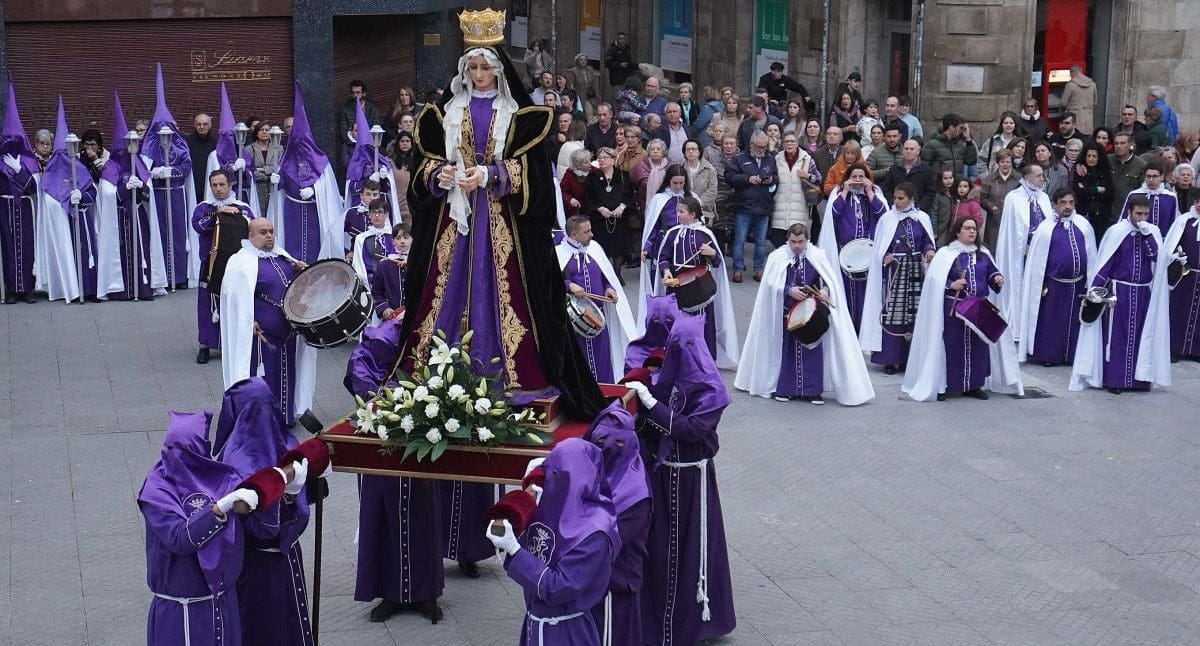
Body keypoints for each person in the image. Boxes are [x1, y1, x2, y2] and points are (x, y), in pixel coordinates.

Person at [399, 13, 606, 418]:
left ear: (498, 70)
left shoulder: (517, 113)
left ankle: (502, 370)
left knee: (504, 287)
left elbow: (536, 176)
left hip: (499, 218)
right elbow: (426, 161)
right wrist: (439, 173)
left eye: (485, 67)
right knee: (444, 284)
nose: (478, 74)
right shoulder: (446, 111)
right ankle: (442, 370)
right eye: (472, 67)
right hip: (454, 217)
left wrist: (493, 174)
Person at [625, 313, 736, 645]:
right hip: (663, 477)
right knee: (662, 549)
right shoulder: (670, 378)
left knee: (693, 549)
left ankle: (697, 622)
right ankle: (658, 617)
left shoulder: (710, 390)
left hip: (692, 483)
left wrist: (650, 404)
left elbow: (691, 429)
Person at [137, 410, 260, 646]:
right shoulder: (156, 492)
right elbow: (179, 539)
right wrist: (219, 508)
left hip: (222, 604)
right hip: (183, 613)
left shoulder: (216, 476)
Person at [212, 377, 317, 646]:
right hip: (260, 563)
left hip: (260, 561)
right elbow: (265, 524)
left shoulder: (232, 454)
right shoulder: (247, 456)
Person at [485, 438, 620, 645]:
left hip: (566, 632)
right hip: (536, 622)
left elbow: (559, 587)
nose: (547, 481)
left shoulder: (596, 532)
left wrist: (514, 550)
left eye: (554, 475)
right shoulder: (558, 505)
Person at [736, 222, 875, 405]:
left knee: (813, 349)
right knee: (787, 350)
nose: (797, 246)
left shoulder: (817, 256)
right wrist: (788, 290)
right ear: (788, 240)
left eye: (800, 242)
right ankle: (786, 388)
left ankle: (812, 390)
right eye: (793, 242)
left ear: (807, 240)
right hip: (787, 311)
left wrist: (824, 291)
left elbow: (827, 281)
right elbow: (769, 284)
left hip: (812, 313)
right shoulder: (778, 257)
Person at [903, 216, 1022, 401]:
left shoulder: (982, 253)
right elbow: (934, 280)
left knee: (978, 347)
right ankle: (946, 385)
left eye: (974, 228)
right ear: (958, 231)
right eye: (967, 228)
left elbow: (992, 273)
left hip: (979, 308)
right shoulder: (946, 254)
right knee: (952, 346)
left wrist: (997, 278)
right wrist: (951, 284)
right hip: (955, 307)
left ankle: (973, 386)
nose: (972, 231)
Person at [1070, 196, 1173, 393]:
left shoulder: (1153, 232)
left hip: (1143, 292)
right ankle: (1115, 381)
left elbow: (1155, 257)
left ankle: (1138, 380)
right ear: (1129, 211)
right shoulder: (1116, 232)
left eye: (1145, 214)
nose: (1142, 217)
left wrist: (1146, 234)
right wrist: (1095, 288)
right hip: (1120, 292)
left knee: (1141, 336)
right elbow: (1106, 263)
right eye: (1138, 213)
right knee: (1117, 338)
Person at [220, 217, 314, 426]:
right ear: (251, 236)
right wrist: (247, 322)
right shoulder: (241, 262)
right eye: (263, 232)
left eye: (271, 231)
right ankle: (261, 422)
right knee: (264, 379)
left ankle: (285, 417)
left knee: (287, 376)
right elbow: (234, 299)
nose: (269, 235)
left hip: (288, 333)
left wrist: (301, 270)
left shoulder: (283, 258)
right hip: (261, 335)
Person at [583, 401, 652, 646]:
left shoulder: (635, 494)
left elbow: (607, 541)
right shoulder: (595, 469)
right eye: (600, 443)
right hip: (591, 579)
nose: (609, 449)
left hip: (616, 582)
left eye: (618, 443)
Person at [652, 196, 739, 366]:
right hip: (677, 287)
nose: (678, 215)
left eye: (681, 212)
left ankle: (702, 360)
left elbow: (717, 262)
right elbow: (664, 256)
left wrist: (711, 253)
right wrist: (667, 270)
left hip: (699, 289)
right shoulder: (673, 233)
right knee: (678, 323)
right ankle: (679, 359)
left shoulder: (705, 234)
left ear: (693, 214)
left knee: (702, 324)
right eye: (677, 211)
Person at [860, 183, 937, 374]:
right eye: (895, 197)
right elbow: (881, 245)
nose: (897, 202)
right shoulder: (887, 219)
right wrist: (885, 256)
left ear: (911, 199)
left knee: (915, 315)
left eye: (901, 198)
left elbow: (927, 241)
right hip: (895, 272)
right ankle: (890, 359)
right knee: (894, 314)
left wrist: (929, 251)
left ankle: (909, 359)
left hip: (916, 272)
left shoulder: (922, 218)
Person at [1017, 188, 1097, 367]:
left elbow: (1091, 255)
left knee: (1076, 321)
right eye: (1063, 203)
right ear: (1055, 205)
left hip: (1078, 284)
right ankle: (1049, 356)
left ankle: (1072, 355)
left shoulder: (1084, 225)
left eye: (1071, 202)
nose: (1067, 207)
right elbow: (1037, 261)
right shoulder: (1046, 228)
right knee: (1052, 322)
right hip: (1054, 285)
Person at [267, 83, 344, 265]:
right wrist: (277, 181)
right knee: (292, 242)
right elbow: (282, 184)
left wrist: (315, 191)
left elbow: (329, 190)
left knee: (313, 243)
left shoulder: (321, 160)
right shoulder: (285, 159)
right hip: (291, 209)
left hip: (313, 209)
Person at [102, 92, 168, 302]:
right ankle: (123, 289)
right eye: (127, 144)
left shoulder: (141, 163)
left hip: (139, 215)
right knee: (122, 252)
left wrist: (141, 186)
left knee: (143, 249)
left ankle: (143, 287)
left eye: (134, 143)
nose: (130, 148)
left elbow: (148, 193)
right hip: (120, 217)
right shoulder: (110, 167)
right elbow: (106, 193)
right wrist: (121, 187)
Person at [557, 215, 635, 382]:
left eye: (590, 230)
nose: (591, 234)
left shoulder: (595, 248)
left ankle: (605, 391)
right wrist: (569, 285)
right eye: (586, 232)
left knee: (602, 358)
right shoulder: (559, 253)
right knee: (580, 360)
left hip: (598, 317)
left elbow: (605, 275)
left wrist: (609, 288)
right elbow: (551, 280)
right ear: (573, 234)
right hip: (574, 320)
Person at [142, 64, 198, 289]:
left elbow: (186, 168)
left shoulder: (180, 146)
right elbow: (143, 168)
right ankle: (163, 275)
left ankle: (180, 276)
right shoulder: (149, 146)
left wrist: (171, 172)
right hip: (157, 195)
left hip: (176, 194)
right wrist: (154, 172)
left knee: (178, 234)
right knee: (159, 234)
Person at [192, 169, 255, 364]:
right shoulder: (204, 207)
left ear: (230, 185)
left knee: (236, 302)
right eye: (214, 185)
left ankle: (235, 343)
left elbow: (252, 229)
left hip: (235, 264)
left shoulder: (242, 207)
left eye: (222, 185)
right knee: (206, 305)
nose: (218, 189)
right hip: (210, 264)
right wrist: (218, 212)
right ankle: (205, 345)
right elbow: (199, 226)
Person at [39, 98, 99, 302]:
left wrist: (81, 197)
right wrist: (62, 204)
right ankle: (70, 289)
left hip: (81, 220)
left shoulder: (80, 167)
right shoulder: (50, 174)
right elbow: (49, 200)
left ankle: (89, 290)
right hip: (63, 225)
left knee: (86, 254)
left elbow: (92, 191)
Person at [818, 162, 888, 331]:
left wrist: (870, 192)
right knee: (848, 292)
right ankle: (849, 330)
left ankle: (865, 329)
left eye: (861, 177)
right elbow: (833, 213)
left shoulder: (874, 194)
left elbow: (883, 215)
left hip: (868, 255)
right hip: (846, 254)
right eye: (854, 177)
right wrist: (845, 191)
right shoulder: (839, 193)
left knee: (866, 293)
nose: (857, 180)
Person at [994, 163, 1052, 331]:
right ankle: (1020, 324)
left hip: (1042, 252)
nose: (1042, 178)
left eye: (1042, 175)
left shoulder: (1044, 197)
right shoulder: (1014, 197)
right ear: (1027, 178)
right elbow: (1014, 229)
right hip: (1022, 253)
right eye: (1038, 175)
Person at [0, 81, 41, 303]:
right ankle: (10, 289)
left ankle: (27, 288)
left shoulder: (28, 162)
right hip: (5, 209)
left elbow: (33, 188)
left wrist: (19, 171)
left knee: (26, 247)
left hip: (25, 209)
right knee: (7, 248)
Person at [725, 131, 778, 283]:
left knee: (761, 242)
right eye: (759, 146)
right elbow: (729, 176)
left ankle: (758, 269)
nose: (762, 150)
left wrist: (771, 180)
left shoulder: (770, 158)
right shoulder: (739, 158)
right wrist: (747, 179)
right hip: (744, 206)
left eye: (764, 146)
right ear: (751, 144)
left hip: (764, 204)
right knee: (740, 240)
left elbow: (776, 177)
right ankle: (738, 269)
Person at [204, 84, 259, 216]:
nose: (228, 139)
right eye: (225, 136)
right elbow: (213, 177)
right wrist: (231, 169)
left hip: (243, 196)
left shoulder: (242, 152)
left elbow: (252, 174)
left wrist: (245, 169)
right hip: (222, 200)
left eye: (231, 135)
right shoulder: (214, 156)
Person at [343, 98, 399, 214]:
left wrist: (385, 177)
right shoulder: (352, 157)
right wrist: (367, 181)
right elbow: (351, 187)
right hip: (359, 205)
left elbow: (388, 187)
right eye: (356, 130)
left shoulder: (378, 156)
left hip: (379, 206)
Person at [583, 146, 632, 276]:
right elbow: (589, 196)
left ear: (613, 159)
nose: (602, 160)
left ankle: (617, 274)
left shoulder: (622, 175)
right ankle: (605, 275)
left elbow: (629, 194)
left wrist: (621, 207)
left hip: (619, 218)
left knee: (618, 247)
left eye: (605, 157)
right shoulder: (592, 177)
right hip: (600, 218)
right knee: (602, 246)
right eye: (600, 158)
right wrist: (600, 208)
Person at [770, 131, 821, 246]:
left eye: (792, 141)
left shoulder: (806, 159)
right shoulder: (776, 159)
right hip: (779, 210)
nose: (789, 144)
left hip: (800, 211)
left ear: (797, 143)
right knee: (779, 247)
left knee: (797, 246)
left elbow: (819, 179)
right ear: (783, 144)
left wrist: (807, 176)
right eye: (787, 141)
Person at [1166, 192, 1200, 361]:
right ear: (1195, 202)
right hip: (1185, 275)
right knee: (1179, 311)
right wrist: (1176, 257)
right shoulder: (1184, 221)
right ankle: (1175, 348)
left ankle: (1195, 350)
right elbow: (1171, 245)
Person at [1118, 159, 1177, 235]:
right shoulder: (1134, 195)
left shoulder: (1171, 197)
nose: (1151, 180)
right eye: (1148, 176)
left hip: (1163, 240)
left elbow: (1174, 222)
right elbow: (1124, 220)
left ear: (1162, 177)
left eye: (1155, 176)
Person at [877, 138, 937, 210]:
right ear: (903, 150)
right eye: (906, 149)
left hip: (918, 211)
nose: (909, 151)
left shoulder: (926, 169)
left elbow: (930, 192)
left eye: (912, 149)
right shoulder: (894, 168)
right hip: (896, 209)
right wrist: (893, 203)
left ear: (918, 151)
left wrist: (919, 207)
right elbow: (887, 189)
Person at [348, 198, 394, 291]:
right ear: (369, 215)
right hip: (370, 284)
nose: (377, 216)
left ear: (386, 215)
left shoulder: (393, 236)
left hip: (391, 281)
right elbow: (358, 265)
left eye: (380, 212)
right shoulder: (361, 238)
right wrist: (367, 285)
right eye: (373, 212)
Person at [369, 222, 411, 323]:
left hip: (415, 319)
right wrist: (385, 309)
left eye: (406, 237)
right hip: (393, 319)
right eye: (398, 238)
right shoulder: (384, 265)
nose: (402, 241)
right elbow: (377, 293)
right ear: (393, 242)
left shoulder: (420, 264)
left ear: (412, 240)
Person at [1073, 141, 1115, 236]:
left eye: (1094, 156)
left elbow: (1109, 193)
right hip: (1084, 214)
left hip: (1102, 216)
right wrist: (1096, 189)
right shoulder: (1080, 171)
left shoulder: (1106, 173)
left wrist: (1087, 190)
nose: (1091, 159)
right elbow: (1078, 191)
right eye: (1088, 156)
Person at [979, 149, 1022, 239]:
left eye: (1007, 162)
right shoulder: (988, 179)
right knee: (993, 248)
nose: (1005, 164)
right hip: (994, 220)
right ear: (998, 162)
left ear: (1011, 163)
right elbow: (982, 198)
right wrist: (992, 207)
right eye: (1002, 162)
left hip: (1013, 220)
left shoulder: (1019, 179)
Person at [337, 79, 380, 160]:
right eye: (353, 92)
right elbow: (343, 132)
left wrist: (366, 137)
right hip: (351, 146)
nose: (355, 95)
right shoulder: (345, 110)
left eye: (358, 92)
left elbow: (377, 127)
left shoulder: (371, 109)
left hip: (369, 144)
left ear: (364, 93)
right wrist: (352, 135)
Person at [247, 121, 283, 214]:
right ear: (256, 132)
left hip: (274, 187)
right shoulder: (249, 149)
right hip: (256, 188)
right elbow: (250, 170)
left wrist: (262, 169)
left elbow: (279, 167)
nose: (264, 132)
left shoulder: (279, 149)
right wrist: (270, 174)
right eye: (261, 130)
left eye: (267, 130)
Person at [185, 112, 217, 199]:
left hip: (213, 182)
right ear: (195, 125)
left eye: (205, 124)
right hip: (193, 182)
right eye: (199, 124)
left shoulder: (217, 141)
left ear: (210, 125)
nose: (202, 127)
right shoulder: (186, 142)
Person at [1060, 65, 1097, 134]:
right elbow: (1095, 102)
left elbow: (1063, 103)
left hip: (1074, 119)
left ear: (1073, 73)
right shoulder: (1092, 84)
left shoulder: (1070, 85)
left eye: (1070, 74)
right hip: (1088, 119)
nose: (1070, 77)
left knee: (1075, 138)